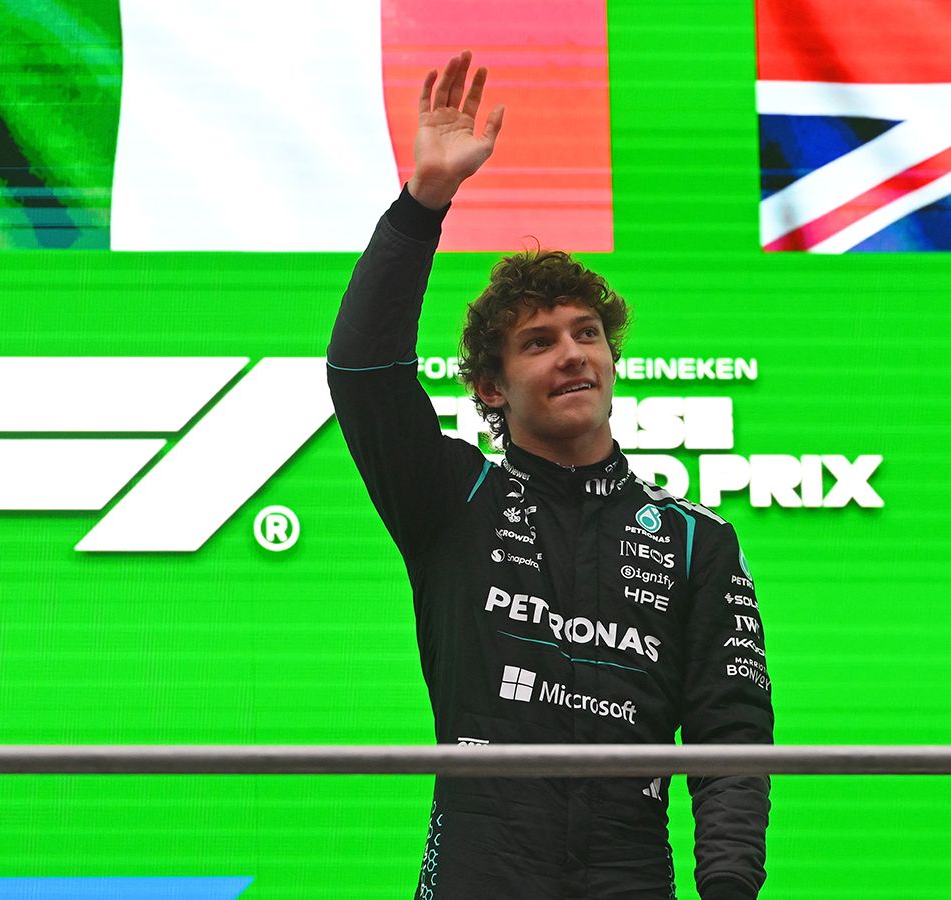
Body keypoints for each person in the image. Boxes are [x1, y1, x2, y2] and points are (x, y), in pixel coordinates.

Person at [327, 51, 773, 899]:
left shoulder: (697, 542)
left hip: (632, 872)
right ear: (492, 389)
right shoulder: (451, 500)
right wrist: (423, 204)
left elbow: (733, 739)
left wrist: (728, 890)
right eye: (539, 342)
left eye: (586, 334)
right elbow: (361, 372)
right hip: (479, 870)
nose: (572, 354)